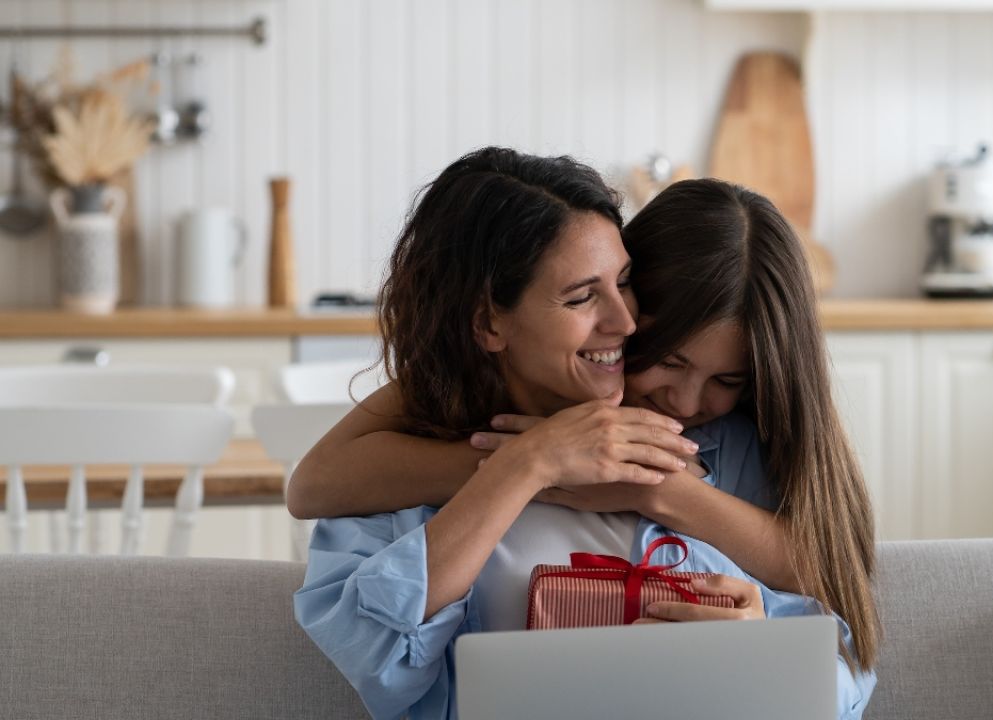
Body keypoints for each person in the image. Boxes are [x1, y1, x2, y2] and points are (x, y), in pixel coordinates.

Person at [292, 147, 877, 719]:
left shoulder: (731, 448)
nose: (625, 323)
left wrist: (764, 649)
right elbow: (373, 661)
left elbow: (840, 646)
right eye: (581, 296)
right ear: (487, 322)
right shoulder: (397, 465)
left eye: (625, 283)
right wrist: (527, 465)